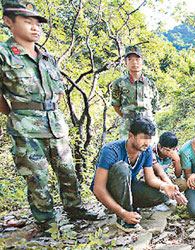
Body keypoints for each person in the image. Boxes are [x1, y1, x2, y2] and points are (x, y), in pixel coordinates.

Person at [0, 0, 97, 232]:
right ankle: (47, 221)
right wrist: (19, 113)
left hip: (55, 123)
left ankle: (75, 209)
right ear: (9, 22)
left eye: (37, 23)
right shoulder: (4, 55)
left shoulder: (47, 57)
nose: (35, 27)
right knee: (37, 177)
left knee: (67, 170)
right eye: (27, 22)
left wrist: (49, 110)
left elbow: (59, 92)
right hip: (25, 126)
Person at [92, 118, 187, 232]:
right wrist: (123, 213)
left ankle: (130, 208)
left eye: (150, 139)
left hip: (129, 186)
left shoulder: (146, 151)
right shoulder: (111, 150)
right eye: (143, 138)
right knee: (122, 167)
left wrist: (165, 186)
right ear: (131, 136)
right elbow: (98, 188)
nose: (147, 143)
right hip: (110, 190)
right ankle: (124, 217)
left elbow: (150, 178)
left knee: (161, 197)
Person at [111, 45, 159, 139]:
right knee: (127, 150)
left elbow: (155, 104)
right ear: (125, 63)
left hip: (147, 123)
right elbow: (116, 105)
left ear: (142, 62)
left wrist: (146, 116)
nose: (134, 62)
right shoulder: (119, 83)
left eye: (137, 59)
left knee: (150, 150)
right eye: (130, 59)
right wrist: (128, 116)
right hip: (128, 125)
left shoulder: (150, 83)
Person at [151, 131, 187, 211]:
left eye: (172, 149)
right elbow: (160, 173)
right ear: (160, 146)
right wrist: (173, 189)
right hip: (153, 178)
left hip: (166, 178)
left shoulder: (175, 151)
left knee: (182, 183)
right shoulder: (151, 152)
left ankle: (168, 197)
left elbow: (178, 175)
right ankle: (160, 199)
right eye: (167, 150)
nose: (170, 153)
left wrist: (177, 160)